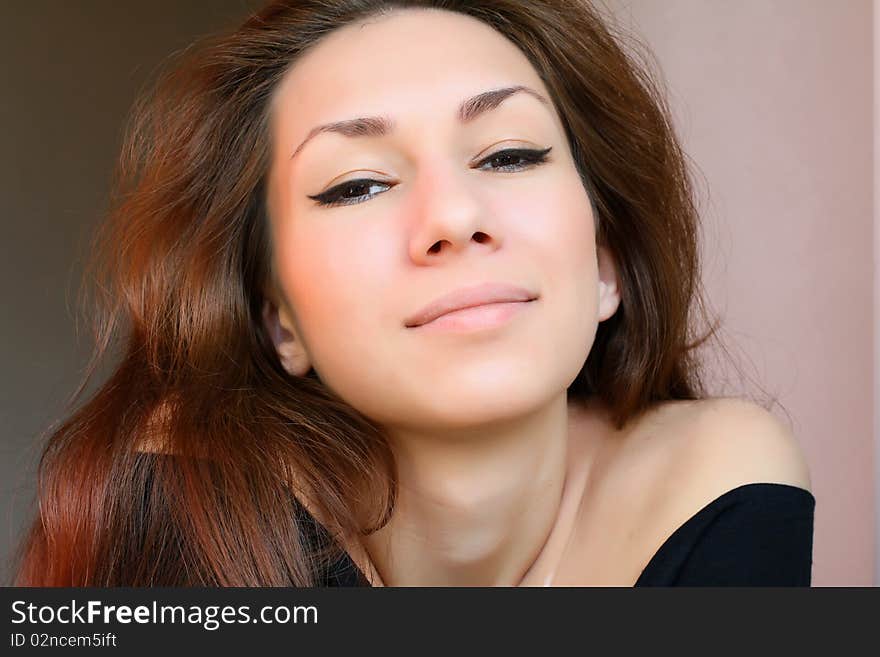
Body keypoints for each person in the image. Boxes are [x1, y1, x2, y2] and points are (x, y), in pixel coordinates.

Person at [13, 0, 814, 587]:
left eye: (508, 155)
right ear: (278, 319)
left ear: (607, 261)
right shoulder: (191, 492)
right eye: (359, 184)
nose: (456, 217)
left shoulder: (716, 481)